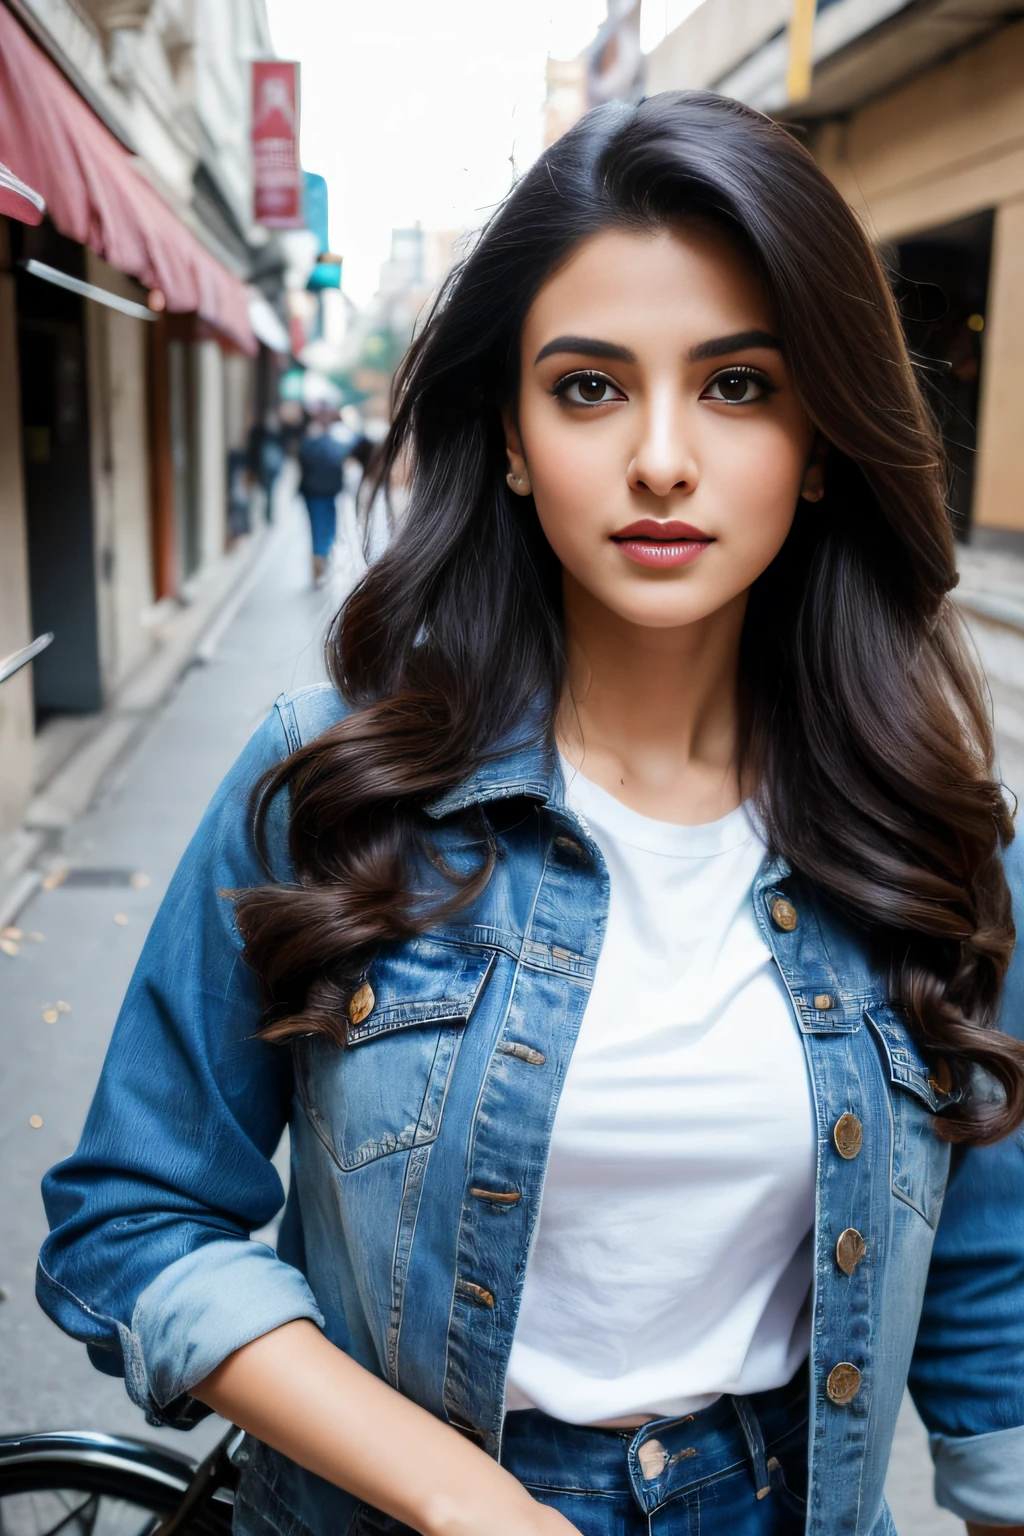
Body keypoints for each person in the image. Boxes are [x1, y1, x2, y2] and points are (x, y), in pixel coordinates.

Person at [37, 94, 1024, 1536]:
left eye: (739, 386)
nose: (664, 459)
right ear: (506, 435)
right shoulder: (334, 789)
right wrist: (457, 1499)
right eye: (589, 386)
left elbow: (992, 1299)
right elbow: (132, 1218)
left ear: (820, 442)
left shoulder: (935, 832)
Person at [298, 410, 350, 584]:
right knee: (329, 523)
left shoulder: (309, 443)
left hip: (312, 492)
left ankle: (318, 555)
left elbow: (302, 461)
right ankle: (323, 554)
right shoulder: (336, 444)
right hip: (330, 491)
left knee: (316, 525)